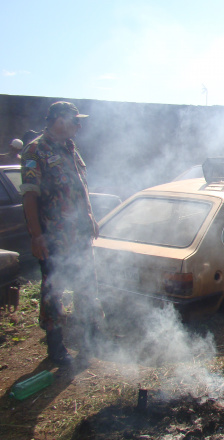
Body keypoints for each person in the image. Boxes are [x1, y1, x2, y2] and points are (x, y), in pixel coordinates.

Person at [20, 101, 102, 366]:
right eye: (75, 120)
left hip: (79, 233)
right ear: (59, 120)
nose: (79, 125)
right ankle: (56, 349)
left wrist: (90, 216)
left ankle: (90, 341)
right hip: (54, 236)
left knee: (86, 284)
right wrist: (36, 235)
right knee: (54, 289)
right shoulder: (35, 151)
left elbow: (80, 186)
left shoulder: (70, 147)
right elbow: (30, 195)